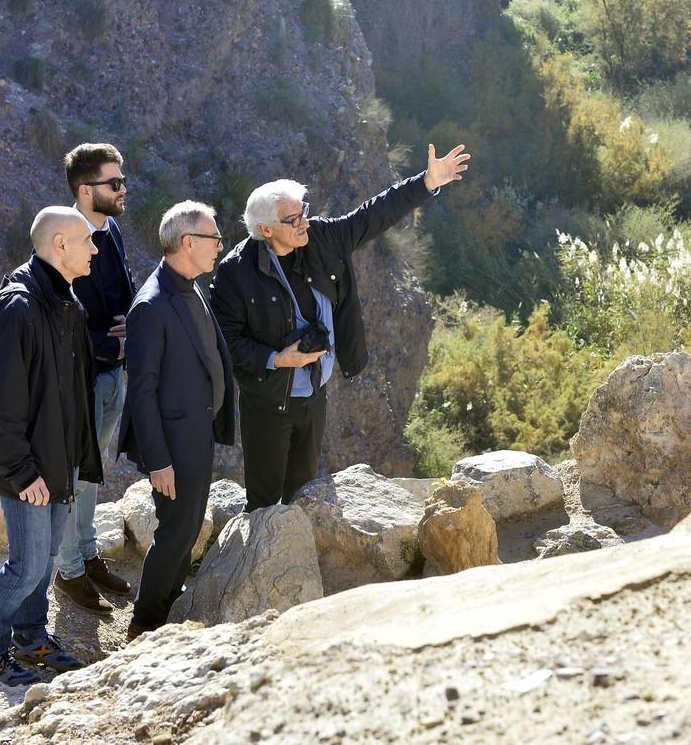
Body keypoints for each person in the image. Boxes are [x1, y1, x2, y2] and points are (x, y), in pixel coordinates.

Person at [210, 144, 470, 511]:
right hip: (268, 401)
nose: (304, 222)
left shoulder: (322, 239)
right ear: (266, 229)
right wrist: (277, 359)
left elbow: (372, 215)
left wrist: (426, 182)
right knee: (265, 503)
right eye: (293, 219)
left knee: (304, 495)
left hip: (315, 394)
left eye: (304, 211)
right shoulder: (235, 273)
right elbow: (226, 341)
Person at [0, 207, 101, 686]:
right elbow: (1, 404)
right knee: (26, 566)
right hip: (29, 467)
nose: (95, 249)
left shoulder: (65, 302)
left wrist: (75, 458)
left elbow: (71, 391)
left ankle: (31, 640)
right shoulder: (19, 308)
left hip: (58, 460)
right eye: (87, 241)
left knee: (47, 561)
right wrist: (22, 473)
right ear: (60, 245)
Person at [118, 201, 235, 640]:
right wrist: (159, 461)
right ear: (188, 242)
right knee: (175, 533)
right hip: (173, 443)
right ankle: (145, 623)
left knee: (187, 529)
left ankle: (167, 607)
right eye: (213, 238)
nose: (220, 247)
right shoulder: (151, 304)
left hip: (196, 433)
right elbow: (142, 391)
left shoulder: (188, 285)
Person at [54, 143, 136, 615]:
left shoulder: (113, 230)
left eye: (122, 181)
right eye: (114, 183)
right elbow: (62, 324)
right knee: (69, 473)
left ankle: (86, 556)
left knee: (91, 472)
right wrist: (116, 346)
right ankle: (67, 571)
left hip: (111, 377)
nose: (123, 189)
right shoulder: (62, 238)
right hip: (79, 379)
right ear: (86, 191)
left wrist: (134, 326)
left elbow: (123, 290)